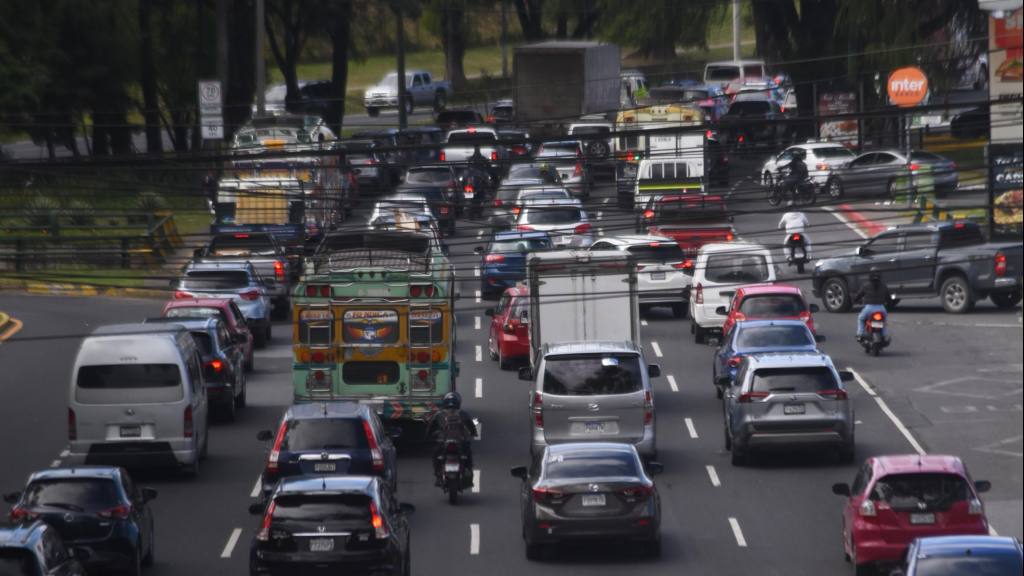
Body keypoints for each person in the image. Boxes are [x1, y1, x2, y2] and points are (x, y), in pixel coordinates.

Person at [427, 391, 477, 486]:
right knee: (468, 454)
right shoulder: (463, 414)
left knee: (436, 455)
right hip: (460, 441)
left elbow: (430, 428)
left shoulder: (439, 414)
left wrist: (429, 436)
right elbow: (471, 427)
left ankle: (438, 476)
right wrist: (473, 434)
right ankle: (468, 471)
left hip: (443, 442)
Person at [853, 267, 892, 341]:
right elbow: (888, 299)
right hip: (881, 308)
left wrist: (855, 300)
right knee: (884, 322)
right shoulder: (884, 286)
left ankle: (860, 334)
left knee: (861, 319)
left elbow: (859, 295)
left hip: (869, 308)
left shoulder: (865, 285)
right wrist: (889, 306)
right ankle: (885, 335)